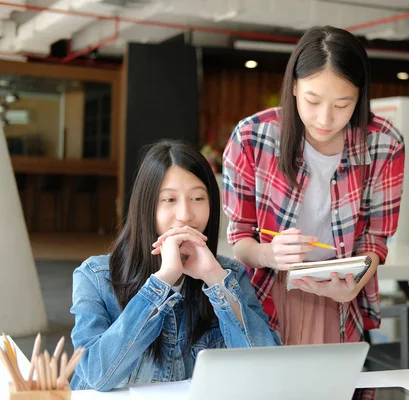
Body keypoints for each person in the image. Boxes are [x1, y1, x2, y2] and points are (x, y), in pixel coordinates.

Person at [219, 25, 405, 346]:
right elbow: (240, 240)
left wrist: (356, 282)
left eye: (342, 104)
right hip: (267, 293)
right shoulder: (252, 138)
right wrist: (269, 254)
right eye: (313, 100)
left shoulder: (383, 143)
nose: (325, 118)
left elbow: (376, 240)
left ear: (360, 96)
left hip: (340, 296)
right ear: (293, 87)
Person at [70, 140, 280, 392]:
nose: (185, 215)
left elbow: (267, 369)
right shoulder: (95, 276)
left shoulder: (230, 275)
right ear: (146, 206)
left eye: (198, 198)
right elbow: (97, 375)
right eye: (169, 199)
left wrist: (214, 278)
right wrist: (163, 280)